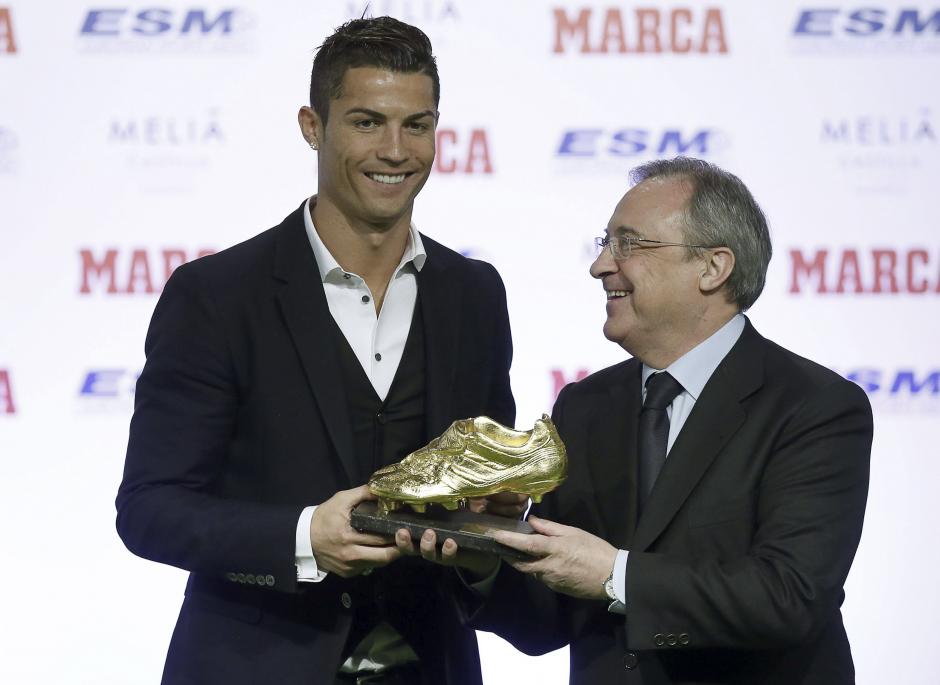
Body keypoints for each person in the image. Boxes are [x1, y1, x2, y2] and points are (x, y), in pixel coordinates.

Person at [115, 16, 514, 685]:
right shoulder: (217, 296)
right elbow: (151, 509)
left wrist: (486, 528)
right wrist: (304, 538)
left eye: (416, 124)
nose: (396, 150)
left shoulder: (474, 293)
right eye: (366, 122)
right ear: (312, 126)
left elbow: (482, 493)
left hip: (431, 664)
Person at [455, 157, 872, 684]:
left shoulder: (815, 407)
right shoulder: (586, 406)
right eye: (605, 243)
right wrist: (486, 552)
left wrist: (615, 575)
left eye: (629, 244)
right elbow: (548, 620)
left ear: (712, 267)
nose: (601, 265)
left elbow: (788, 596)